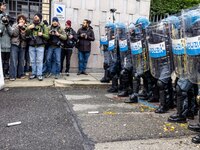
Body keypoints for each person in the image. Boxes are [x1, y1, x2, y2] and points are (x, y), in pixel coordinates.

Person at [26, 12, 49, 81]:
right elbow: (26, 34)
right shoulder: (30, 25)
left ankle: (39, 74)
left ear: (40, 18)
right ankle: (33, 73)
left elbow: (47, 36)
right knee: (32, 61)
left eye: (37, 16)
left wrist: (42, 34)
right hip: (32, 46)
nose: (35, 16)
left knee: (39, 61)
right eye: (35, 16)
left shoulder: (43, 26)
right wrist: (28, 28)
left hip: (40, 46)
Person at [9, 14, 27, 81]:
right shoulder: (14, 25)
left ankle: (20, 74)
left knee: (21, 61)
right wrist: (18, 26)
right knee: (13, 60)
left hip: (22, 45)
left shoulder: (26, 27)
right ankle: (12, 75)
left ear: (25, 21)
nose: (21, 20)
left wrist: (23, 32)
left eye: (23, 19)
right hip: (14, 44)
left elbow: (25, 38)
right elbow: (13, 34)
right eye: (20, 19)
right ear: (18, 20)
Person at [0, 2, 12, 79]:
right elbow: (0, 30)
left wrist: (7, 24)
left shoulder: (7, 23)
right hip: (0, 46)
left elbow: (11, 33)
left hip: (7, 46)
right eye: (3, 6)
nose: (5, 7)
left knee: (6, 61)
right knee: (1, 62)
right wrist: (2, 23)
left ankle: (5, 74)